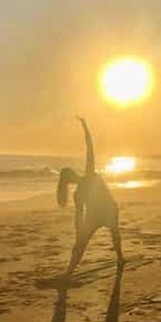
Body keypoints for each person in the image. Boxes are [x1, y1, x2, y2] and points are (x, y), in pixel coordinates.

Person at [56, 117, 124, 279]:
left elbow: (90, 149)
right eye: (69, 179)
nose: (73, 179)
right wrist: (79, 233)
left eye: (71, 176)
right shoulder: (77, 194)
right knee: (80, 244)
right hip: (93, 215)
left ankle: (120, 257)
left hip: (109, 209)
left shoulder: (89, 175)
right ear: (68, 181)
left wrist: (85, 127)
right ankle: (69, 272)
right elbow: (78, 215)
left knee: (114, 233)